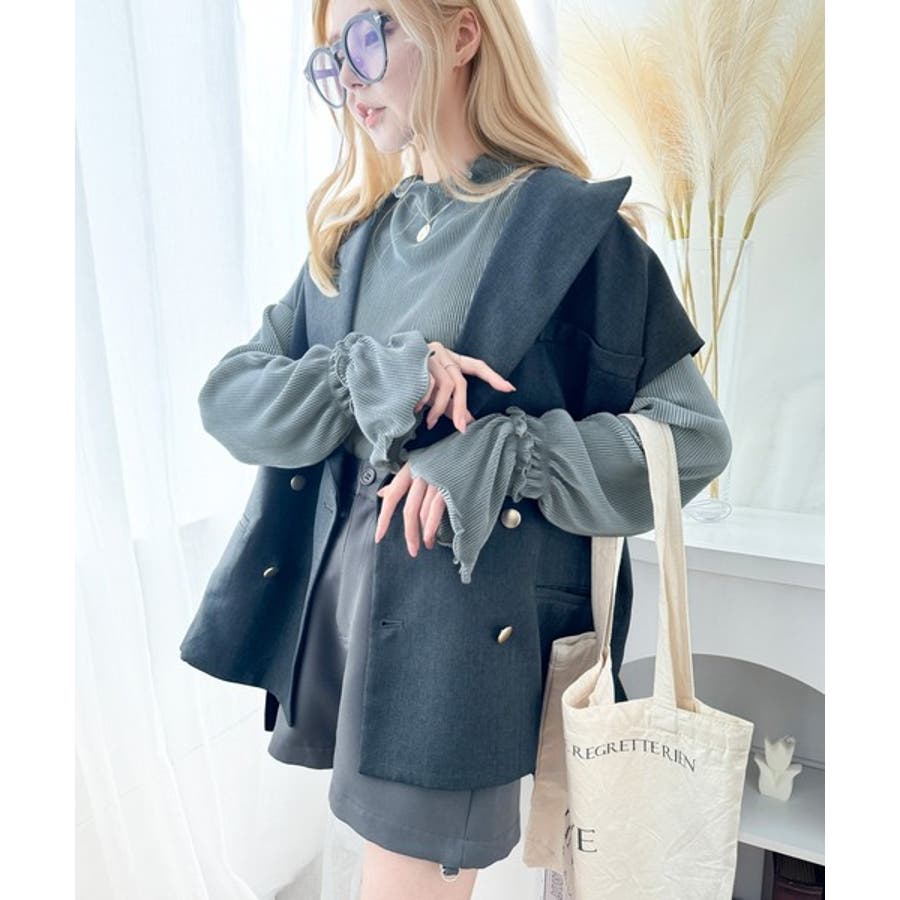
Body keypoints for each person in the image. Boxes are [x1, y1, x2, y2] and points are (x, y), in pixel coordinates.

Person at [192, 2, 733, 898]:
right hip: (345, 620)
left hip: (456, 644)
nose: (347, 77)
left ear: (462, 33)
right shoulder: (355, 241)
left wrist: (511, 453)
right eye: (330, 60)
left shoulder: (576, 237)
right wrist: (366, 371)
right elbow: (229, 396)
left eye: (367, 37)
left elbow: (695, 439)